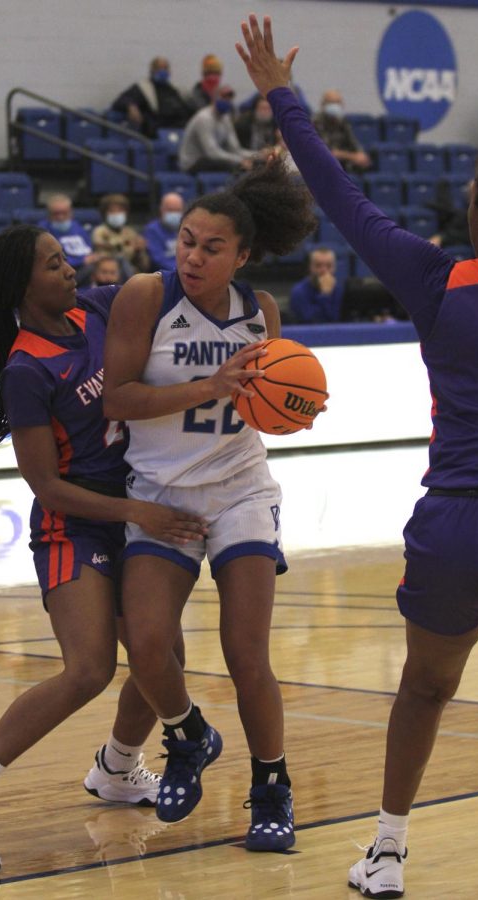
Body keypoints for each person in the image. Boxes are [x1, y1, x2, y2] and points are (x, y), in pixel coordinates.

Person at [237, 15, 478, 898]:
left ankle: (388, 851)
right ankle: (386, 851)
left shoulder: (435, 277)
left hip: (446, 525)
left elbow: (336, 192)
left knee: (424, 689)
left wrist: (282, 96)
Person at [0, 225, 207, 873]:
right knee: (88, 669)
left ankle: (117, 769)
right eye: (52, 264)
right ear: (23, 286)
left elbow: (158, 287)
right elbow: (46, 485)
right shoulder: (25, 368)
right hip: (73, 521)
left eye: (64, 258)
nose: (68, 267)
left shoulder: (96, 309)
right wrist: (134, 509)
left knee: (164, 653)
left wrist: (210, 244)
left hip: (127, 509)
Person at [101, 156, 318, 852]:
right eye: (187, 239)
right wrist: (211, 385)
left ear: (242, 255)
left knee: (245, 652)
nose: (192, 254)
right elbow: (118, 398)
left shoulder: (262, 312)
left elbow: (268, 404)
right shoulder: (145, 295)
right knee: (150, 644)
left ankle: (271, 789)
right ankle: (189, 734)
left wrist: (291, 406)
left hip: (238, 489)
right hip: (161, 491)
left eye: (211, 246)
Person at [178, 85, 256, 174]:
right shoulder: (204, 118)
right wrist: (239, 161)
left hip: (210, 160)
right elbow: (212, 153)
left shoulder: (225, 118)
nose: (226, 101)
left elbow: (235, 149)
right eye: (223, 97)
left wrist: (258, 155)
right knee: (236, 166)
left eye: (229, 98)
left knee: (254, 164)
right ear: (214, 98)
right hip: (193, 163)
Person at [111, 56, 193, 137]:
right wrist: (131, 106)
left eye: (165, 68)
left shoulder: (176, 90)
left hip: (181, 130)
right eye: (159, 68)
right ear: (152, 70)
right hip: (159, 131)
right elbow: (121, 100)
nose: (163, 71)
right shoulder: (144, 88)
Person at [312, 89, 371, 173]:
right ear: (323, 105)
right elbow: (328, 151)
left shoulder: (342, 121)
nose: (335, 106)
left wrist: (360, 153)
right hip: (322, 165)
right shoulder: (316, 122)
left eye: (337, 103)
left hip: (342, 165)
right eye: (331, 103)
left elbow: (353, 142)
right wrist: (353, 157)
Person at [92, 194, 150, 276]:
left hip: (129, 272)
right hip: (108, 273)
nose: (116, 214)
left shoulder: (130, 233)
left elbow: (144, 266)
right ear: (104, 213)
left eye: (120, 210)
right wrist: (124, 244)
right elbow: (104, 255)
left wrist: (139, 252)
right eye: (112, 211)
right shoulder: (99, 231)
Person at [38, 194, 97, 274]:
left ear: (71, 212)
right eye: (56, 213)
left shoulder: (78, 227)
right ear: (49, 214)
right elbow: (50, 260)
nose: (60, 217)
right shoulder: (43, 231)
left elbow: (89, 249)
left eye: (64, 213)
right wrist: (81, 261)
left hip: (86, 267)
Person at [289, 246, 345, 323]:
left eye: (329, 266)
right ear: (310, 267)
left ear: (334, 268)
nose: (324, 270)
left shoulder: (338, 289)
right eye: (318, 265)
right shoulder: (298, 291)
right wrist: (325, 294)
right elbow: (311, 320)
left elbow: (336, 318)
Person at [143, 192, 184, 271]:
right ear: (161, 210)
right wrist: (181, 270)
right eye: (170, 210)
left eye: (178, 210)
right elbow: (158, 260)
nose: (174, 214)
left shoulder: (185, 228)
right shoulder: (152, 230)